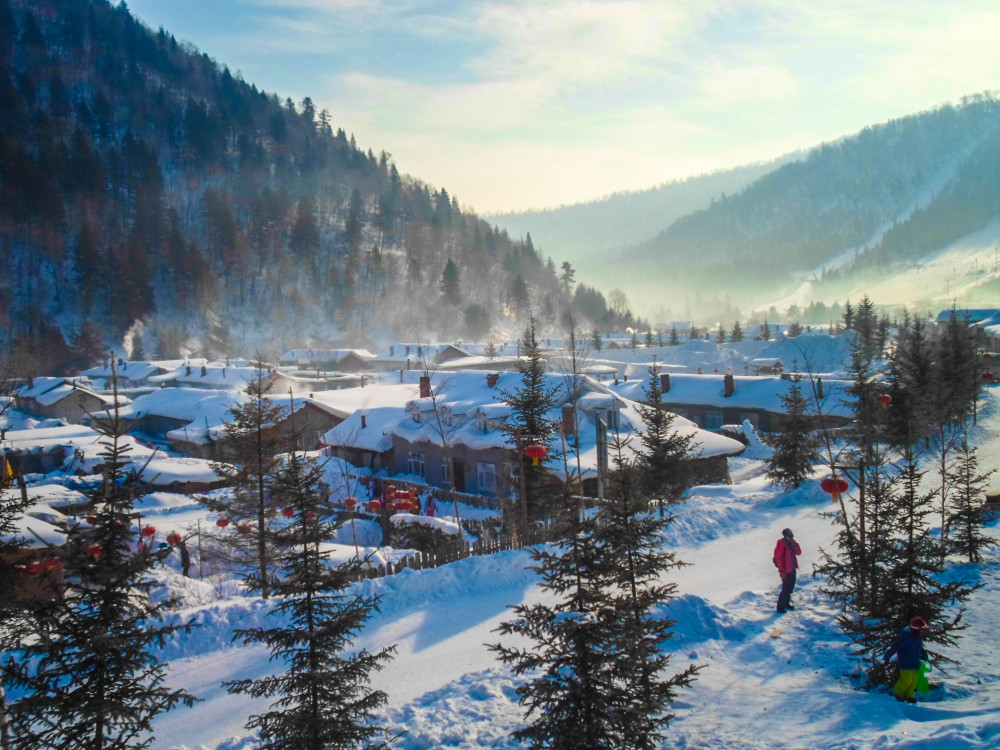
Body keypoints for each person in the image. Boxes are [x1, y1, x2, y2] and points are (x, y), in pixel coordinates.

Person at [884, 616, 930, 702]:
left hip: (915, 663)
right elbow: (896, 647)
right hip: (906, 663)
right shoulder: (906, 638)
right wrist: (888, 655)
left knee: (913, 681)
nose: (923, 633)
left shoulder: (918, 637)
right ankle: (896, 694)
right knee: (906, 680)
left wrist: (923, 654)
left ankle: (909, 696)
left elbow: (919, 648)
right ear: (916, 631)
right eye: (922, 631)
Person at [773, 527, 801, 613]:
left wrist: (794, 543)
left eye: (792, 536)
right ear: (785, 536)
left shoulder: (792, 543)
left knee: (790, 588)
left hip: (792, 568)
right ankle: (780, 607)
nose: (791, 538)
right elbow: (778, 559)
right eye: (789, 536)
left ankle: (786, 603)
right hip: (786, 570)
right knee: (786, 589)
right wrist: (782, 571)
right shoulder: (781, 544)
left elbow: (798, 552)